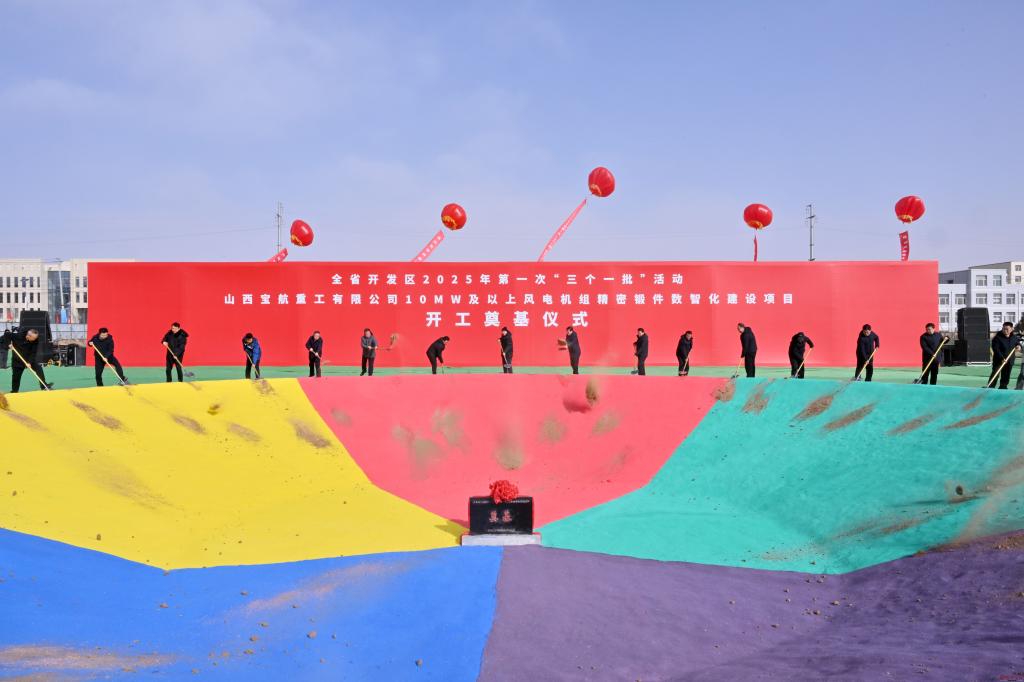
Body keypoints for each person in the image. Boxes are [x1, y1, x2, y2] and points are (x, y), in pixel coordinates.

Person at [9, 328, 52, 393]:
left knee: (39, 369)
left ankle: (43, 386)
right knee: (16, 377)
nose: (34, 339)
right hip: (18, 359)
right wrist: (8, 344)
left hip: (28, 358)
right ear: (29, 336)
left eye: (35, 338)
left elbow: (33, 353)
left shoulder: (35, 340)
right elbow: (7, 335)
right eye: (33, 338)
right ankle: (14, 391)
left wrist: (29, 362)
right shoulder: (18, 336)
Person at [989, 321, 1019, 389]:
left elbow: (1017, 343)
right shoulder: (997, 338)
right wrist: (1002, 358)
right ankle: (990, 386)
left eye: (1007, 329)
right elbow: (996, 349)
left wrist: (1018, 346)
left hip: (1010, 360)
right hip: (999, 360)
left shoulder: (1014, 337)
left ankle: (1003, 386)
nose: (1005, 330)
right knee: (995, 373)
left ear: (1012, 329)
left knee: (1006, 375)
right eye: (1003, 329)